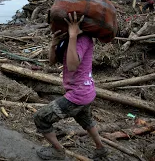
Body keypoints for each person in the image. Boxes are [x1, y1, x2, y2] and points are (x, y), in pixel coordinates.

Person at [34, 12, 108, 160]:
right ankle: (101, 149)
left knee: (41, 118)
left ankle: (58, 152)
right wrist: (54, 43)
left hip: (78, 94)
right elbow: (52, 62)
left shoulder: (83, 39)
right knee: (86, 121)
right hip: (85, 92)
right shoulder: (66, 40)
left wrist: (73, 35)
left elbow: (73, 66)